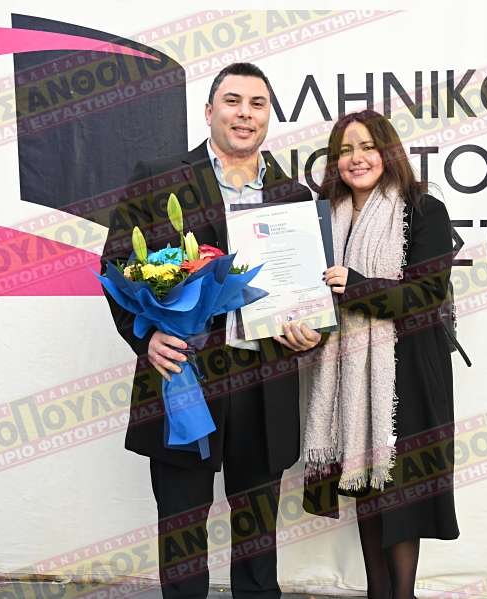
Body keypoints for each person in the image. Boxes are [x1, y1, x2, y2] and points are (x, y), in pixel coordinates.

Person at [100, 63, 324, 599]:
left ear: (268, 116)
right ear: (209, 111)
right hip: (184, 375)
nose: (245, 114)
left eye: (257, 104)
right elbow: (115, 266)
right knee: (182, 525)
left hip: (263, 377)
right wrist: (145, 338)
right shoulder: (157, 178)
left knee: (257, 532)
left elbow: (306, 289)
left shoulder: (294, 196)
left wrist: (310, 331)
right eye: (233, 101)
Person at [304, 109, 460, 599]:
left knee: (400, 492)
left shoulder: (423, 210)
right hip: (346, 367)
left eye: (368, 147)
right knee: (365, 486)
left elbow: (425, 295)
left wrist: (356, 286)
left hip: (407, 369)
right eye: (345, 150)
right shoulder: (322, 218)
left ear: (387, 152)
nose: (357, 158)